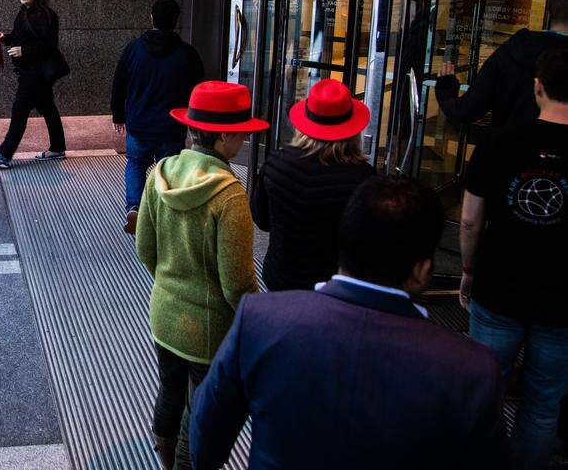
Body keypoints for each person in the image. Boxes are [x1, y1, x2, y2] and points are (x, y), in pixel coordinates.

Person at [189, 176, 509, 470]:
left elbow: (205, 430)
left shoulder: (260, 320)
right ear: (422, 270)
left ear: (342, 244)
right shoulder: (472, 371)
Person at [134, 81, 263, 469]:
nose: (242, 139)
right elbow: (237, 281)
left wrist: (172, 280)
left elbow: (144, 248)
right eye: (240, 132)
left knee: (170, 389)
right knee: (201, 407)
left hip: (163, 312)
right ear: (224, 136)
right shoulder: (230, 195)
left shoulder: (160, 173)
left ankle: (165, 458)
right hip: (208, 328)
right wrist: (254, 322)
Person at [460, 46, 568, 470]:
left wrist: (468, 270)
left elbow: (469, 219)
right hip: (562, 301)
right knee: (543, 405)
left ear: (537, 87)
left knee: (482, 393)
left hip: (499, 285)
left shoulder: (499, 141)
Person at [252, 78, 375, 291]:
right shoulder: (365, 178)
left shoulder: (276, 163)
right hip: (334, 286)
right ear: (352, 129)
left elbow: (262, 220)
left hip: (280, 276)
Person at [110, 0, 205, 234]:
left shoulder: (134, 49)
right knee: (169, 169)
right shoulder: (187, 54)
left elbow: (119, 83)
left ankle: (134, 207)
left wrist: (118, 115)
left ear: (151, 17)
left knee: (135, 164)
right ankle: (164, 214)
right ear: (176, 20)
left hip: (139, 123)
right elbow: (198, 90)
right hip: (172, 127)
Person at [436, 0, 568, 128]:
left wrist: (446, 88)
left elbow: (468, 109)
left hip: (504, 146)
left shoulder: (513, 50)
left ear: (551, 12)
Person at [0, 0, 67, 169]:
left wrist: (24, 51)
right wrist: (5, 38)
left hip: (36, 73)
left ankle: (4, 155)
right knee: (47, 107)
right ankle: (58, 147)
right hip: (28, 71)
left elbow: (50, 45)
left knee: (19, 111)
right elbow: (19, 37)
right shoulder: (22, 13)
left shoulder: (47, 16)